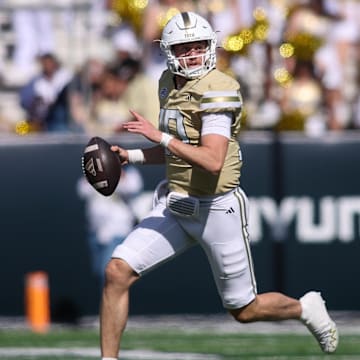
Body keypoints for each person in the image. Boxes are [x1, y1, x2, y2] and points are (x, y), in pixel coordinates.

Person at [99, 12, 339, 359]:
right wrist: (132, 156)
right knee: (117, 271)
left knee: (244, 310)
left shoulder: (218, 88)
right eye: (185, 48)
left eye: (199, 46)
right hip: (176, 204)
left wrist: (160, 136)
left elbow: (211, 160)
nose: (194, 54)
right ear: (169, 52)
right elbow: (179, 148)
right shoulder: (168, 81)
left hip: (216, 208)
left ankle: (305, 309)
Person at [77, 165, 144, 292]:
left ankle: (112, 307)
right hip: (95, 231)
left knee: (109, 273)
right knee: (98, 271)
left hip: (118, 231)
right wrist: (94, 174)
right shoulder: (93, 171)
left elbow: (133, 188)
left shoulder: (130, 172)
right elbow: (82, 190)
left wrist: (115, 171)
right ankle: (108, 305)